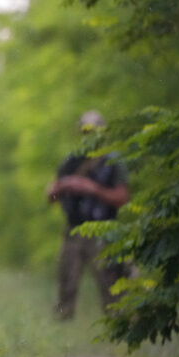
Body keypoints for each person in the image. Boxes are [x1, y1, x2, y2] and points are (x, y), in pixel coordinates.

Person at [46, 110, 132, 320]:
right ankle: (62, 326)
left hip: (103, 232)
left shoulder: (113, 162)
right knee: (66, 282)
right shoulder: (71, 162)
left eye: (94, 131)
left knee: (111, 283)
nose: (90, 135)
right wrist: (65, 186)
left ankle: (118, 326)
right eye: (86, 131)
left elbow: (122, 197)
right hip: (74, 230)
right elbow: (50, 196)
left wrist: (91, 188)